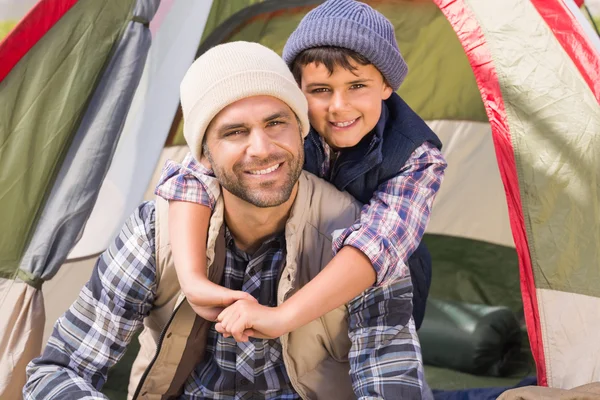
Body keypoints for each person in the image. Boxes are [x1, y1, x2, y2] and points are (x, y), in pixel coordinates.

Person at [24, 41, 431, 399]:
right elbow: (57, 371)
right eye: (235, 132)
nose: (262, 149)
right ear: (203, 155)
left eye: (276, 123)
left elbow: (391, 376)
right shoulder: (156, 232)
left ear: (301, 130)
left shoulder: (359, 238)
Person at [156, 0, 447, 341]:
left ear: (386, 86)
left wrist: (283, 317)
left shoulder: (417, 155)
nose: (339, 107)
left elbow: (378, 244)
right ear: (296, 91)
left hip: (373, 283)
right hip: (291, 261)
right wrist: (193, 281)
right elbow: (192, 175)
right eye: (321, 91)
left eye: (357, 86)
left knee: (361, 358)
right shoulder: (284, 127)